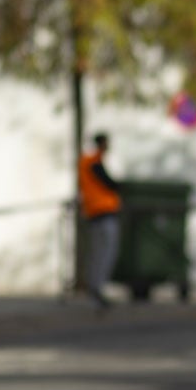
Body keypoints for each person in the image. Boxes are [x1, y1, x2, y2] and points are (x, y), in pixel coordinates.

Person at [77, 132, 121, 310]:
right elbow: (109, 183)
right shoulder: (93, 161)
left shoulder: (89, 161)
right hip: (102, 213)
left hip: (96, 213)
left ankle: (95, 287)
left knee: (98, 252)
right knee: (103, 252)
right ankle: (96, 288)